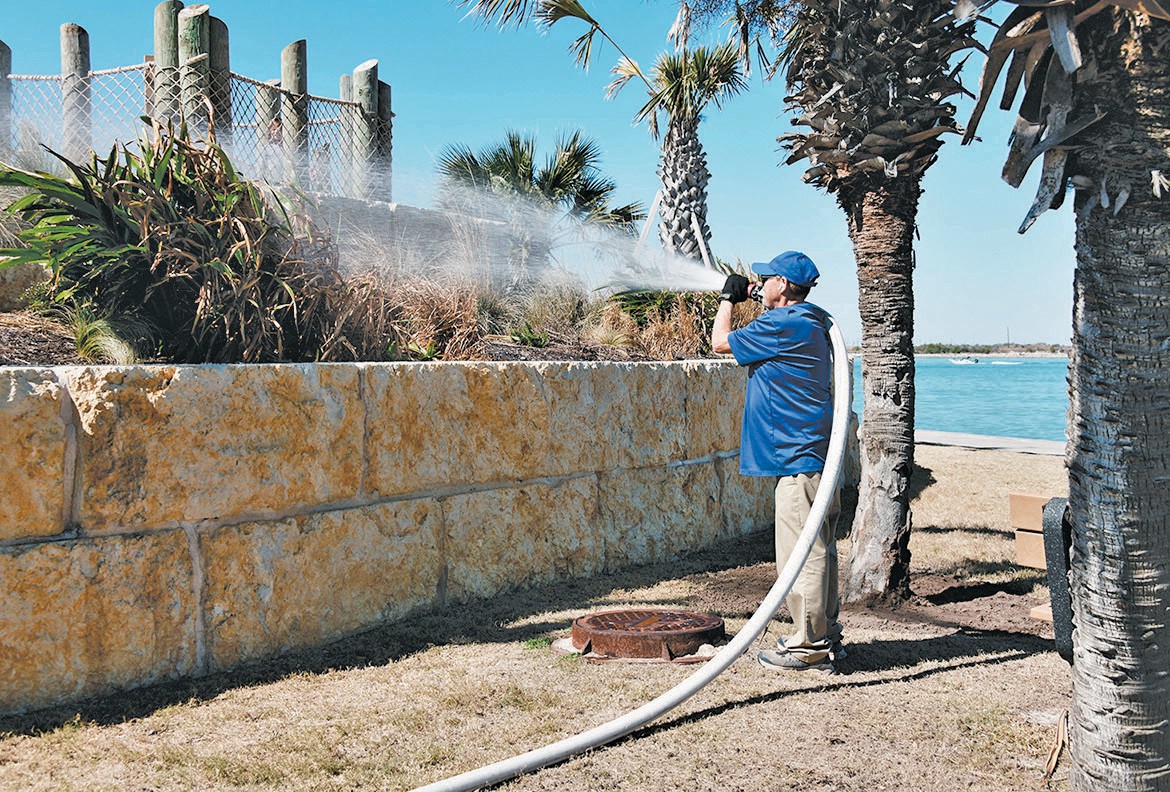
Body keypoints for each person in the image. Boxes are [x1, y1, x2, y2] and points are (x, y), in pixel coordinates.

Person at [710, 250, 843, 673]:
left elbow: (719, 342)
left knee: (799, 556)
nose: (759, 282)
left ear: (783, 285)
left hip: (797, 460)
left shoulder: (782, 324)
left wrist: (729, 299)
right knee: (819, 549)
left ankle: (807, 647)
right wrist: (754, 293)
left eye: (765, 278)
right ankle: (824, 634)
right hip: (814, 456)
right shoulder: (809, 321)